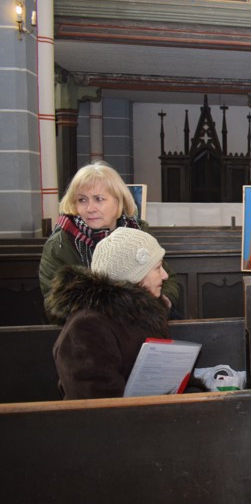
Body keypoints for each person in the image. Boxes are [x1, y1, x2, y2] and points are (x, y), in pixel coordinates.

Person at [39, 161, 179, 317]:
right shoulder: (60, 244)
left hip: (142, 321)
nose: (90, 208)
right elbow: (54, 305)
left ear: (119, 200)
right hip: (88, 331)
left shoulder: (138, 232)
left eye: (99, 199)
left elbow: (167, 278)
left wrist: (162, 302)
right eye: (82, 200)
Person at [47, 227, 170, 400]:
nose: (165, 275)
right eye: (157, 268)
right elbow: (96, 404)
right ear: (134, 276)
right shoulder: (87, 328)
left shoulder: (141, 313)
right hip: (115, 423)